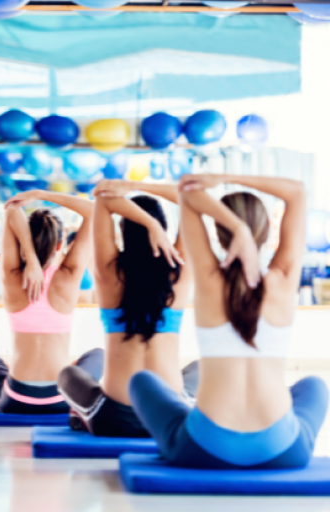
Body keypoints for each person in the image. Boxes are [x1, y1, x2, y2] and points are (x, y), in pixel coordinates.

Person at [129, 174, 328, 468]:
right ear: (266, 230)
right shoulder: (284, 280)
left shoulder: (209, 281)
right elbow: (297, 191)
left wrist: (237, 228)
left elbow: (186, 194)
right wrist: (226, 178)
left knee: (142, 381)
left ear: (219, 233)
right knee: (315, 385)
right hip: (280, 448)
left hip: (205, 446)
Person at [58, 180, 196, 438]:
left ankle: (82, 414)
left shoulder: (108, 270)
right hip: (168, 417)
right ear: (165, 228)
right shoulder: (180, 270)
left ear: (122, 228)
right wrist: (136, 188)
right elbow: (191, 201)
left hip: (114, 419)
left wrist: (147, 223)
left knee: (68, 374)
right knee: (198, 369)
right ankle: (186, 398)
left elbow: (103, 200)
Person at [0, 189, 104, 414]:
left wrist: (30, 258)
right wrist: (41, 193)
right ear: (60, 245)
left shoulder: (11, 275)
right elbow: (93, 210)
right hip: (62, 398)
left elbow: (12, 209)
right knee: (99, 354)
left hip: (15, 399)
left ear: (26, 241)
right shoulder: (70, 275)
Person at [67, 231, 95, 304]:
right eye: (72, 245)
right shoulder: (61, 262)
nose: (76, 250)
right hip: (69, 309)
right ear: (67, 246)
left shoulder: (90, 261)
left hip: (88, 309)